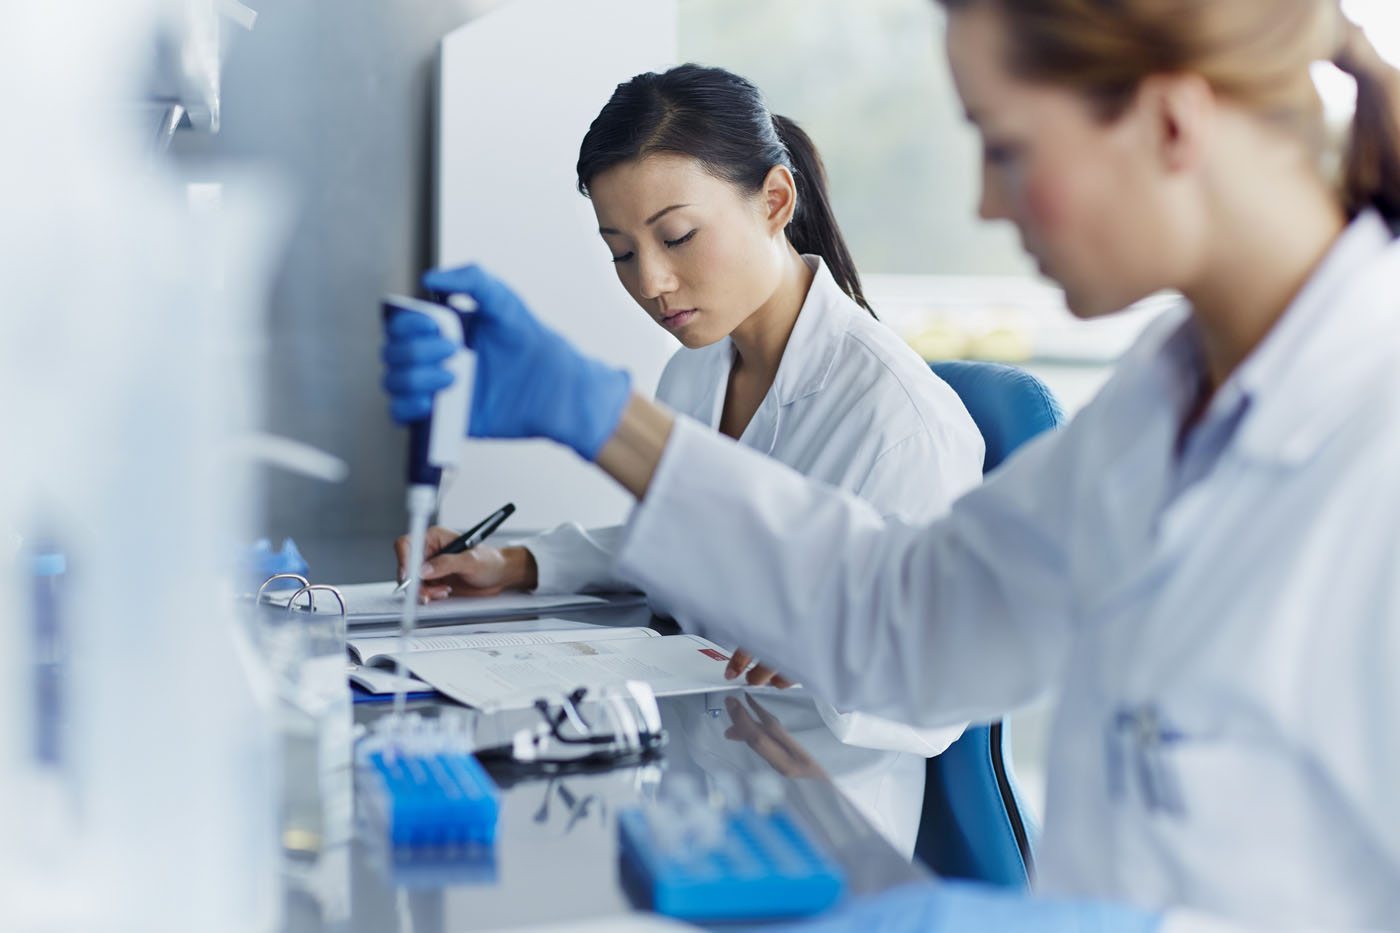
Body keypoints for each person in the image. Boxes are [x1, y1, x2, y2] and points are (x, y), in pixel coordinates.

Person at [383, 0, 1400, 926]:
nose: (986, 205)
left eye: (1004, 147)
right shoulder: (1157, 405)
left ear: (1170, 124)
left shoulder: (1373, 442)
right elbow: (906, 616)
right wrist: (600, 417)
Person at [389, 63, 986, 856]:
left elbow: (936, 698)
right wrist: (519, 562)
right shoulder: (696, 369)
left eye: (676, 237)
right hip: (693, 789)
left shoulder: (899, 417)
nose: (652, 282)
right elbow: (692, 533)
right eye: (621, 252)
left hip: (826, 829)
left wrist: (820, 636)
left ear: (775, 201)